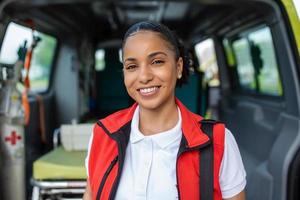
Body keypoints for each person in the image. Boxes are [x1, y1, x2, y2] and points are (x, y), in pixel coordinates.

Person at [83, 21, 246, 200]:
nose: (144, 76)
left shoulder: (218, 142)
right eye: (132, 66)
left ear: (178, 67)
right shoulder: (103, 134)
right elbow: (90, 194)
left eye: (157, 62)